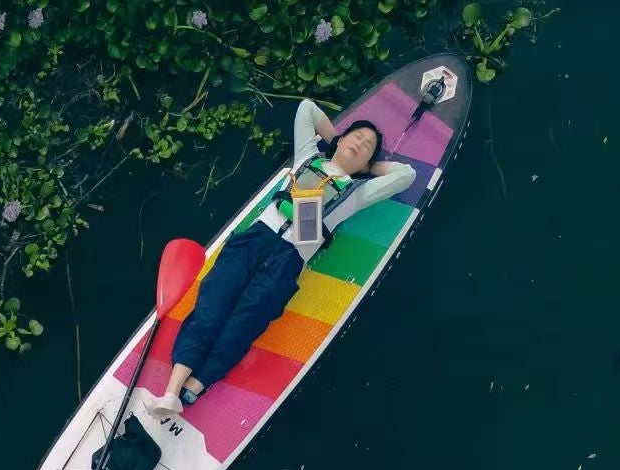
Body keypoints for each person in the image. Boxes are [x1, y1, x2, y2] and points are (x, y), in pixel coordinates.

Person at [142, 100, 418, 418]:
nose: (360, 143)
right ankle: (172, 392)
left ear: (367, 163)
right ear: (340, 140)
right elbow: (307, 109)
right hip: (254, 240)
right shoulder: (307, 157)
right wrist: (334, 139)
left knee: (244, 323)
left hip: (287, 260)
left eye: (368, 147)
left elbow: (406, 175)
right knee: (211, 306)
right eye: (356, 136)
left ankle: (196, 386)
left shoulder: (357, 193)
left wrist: (371, 169)